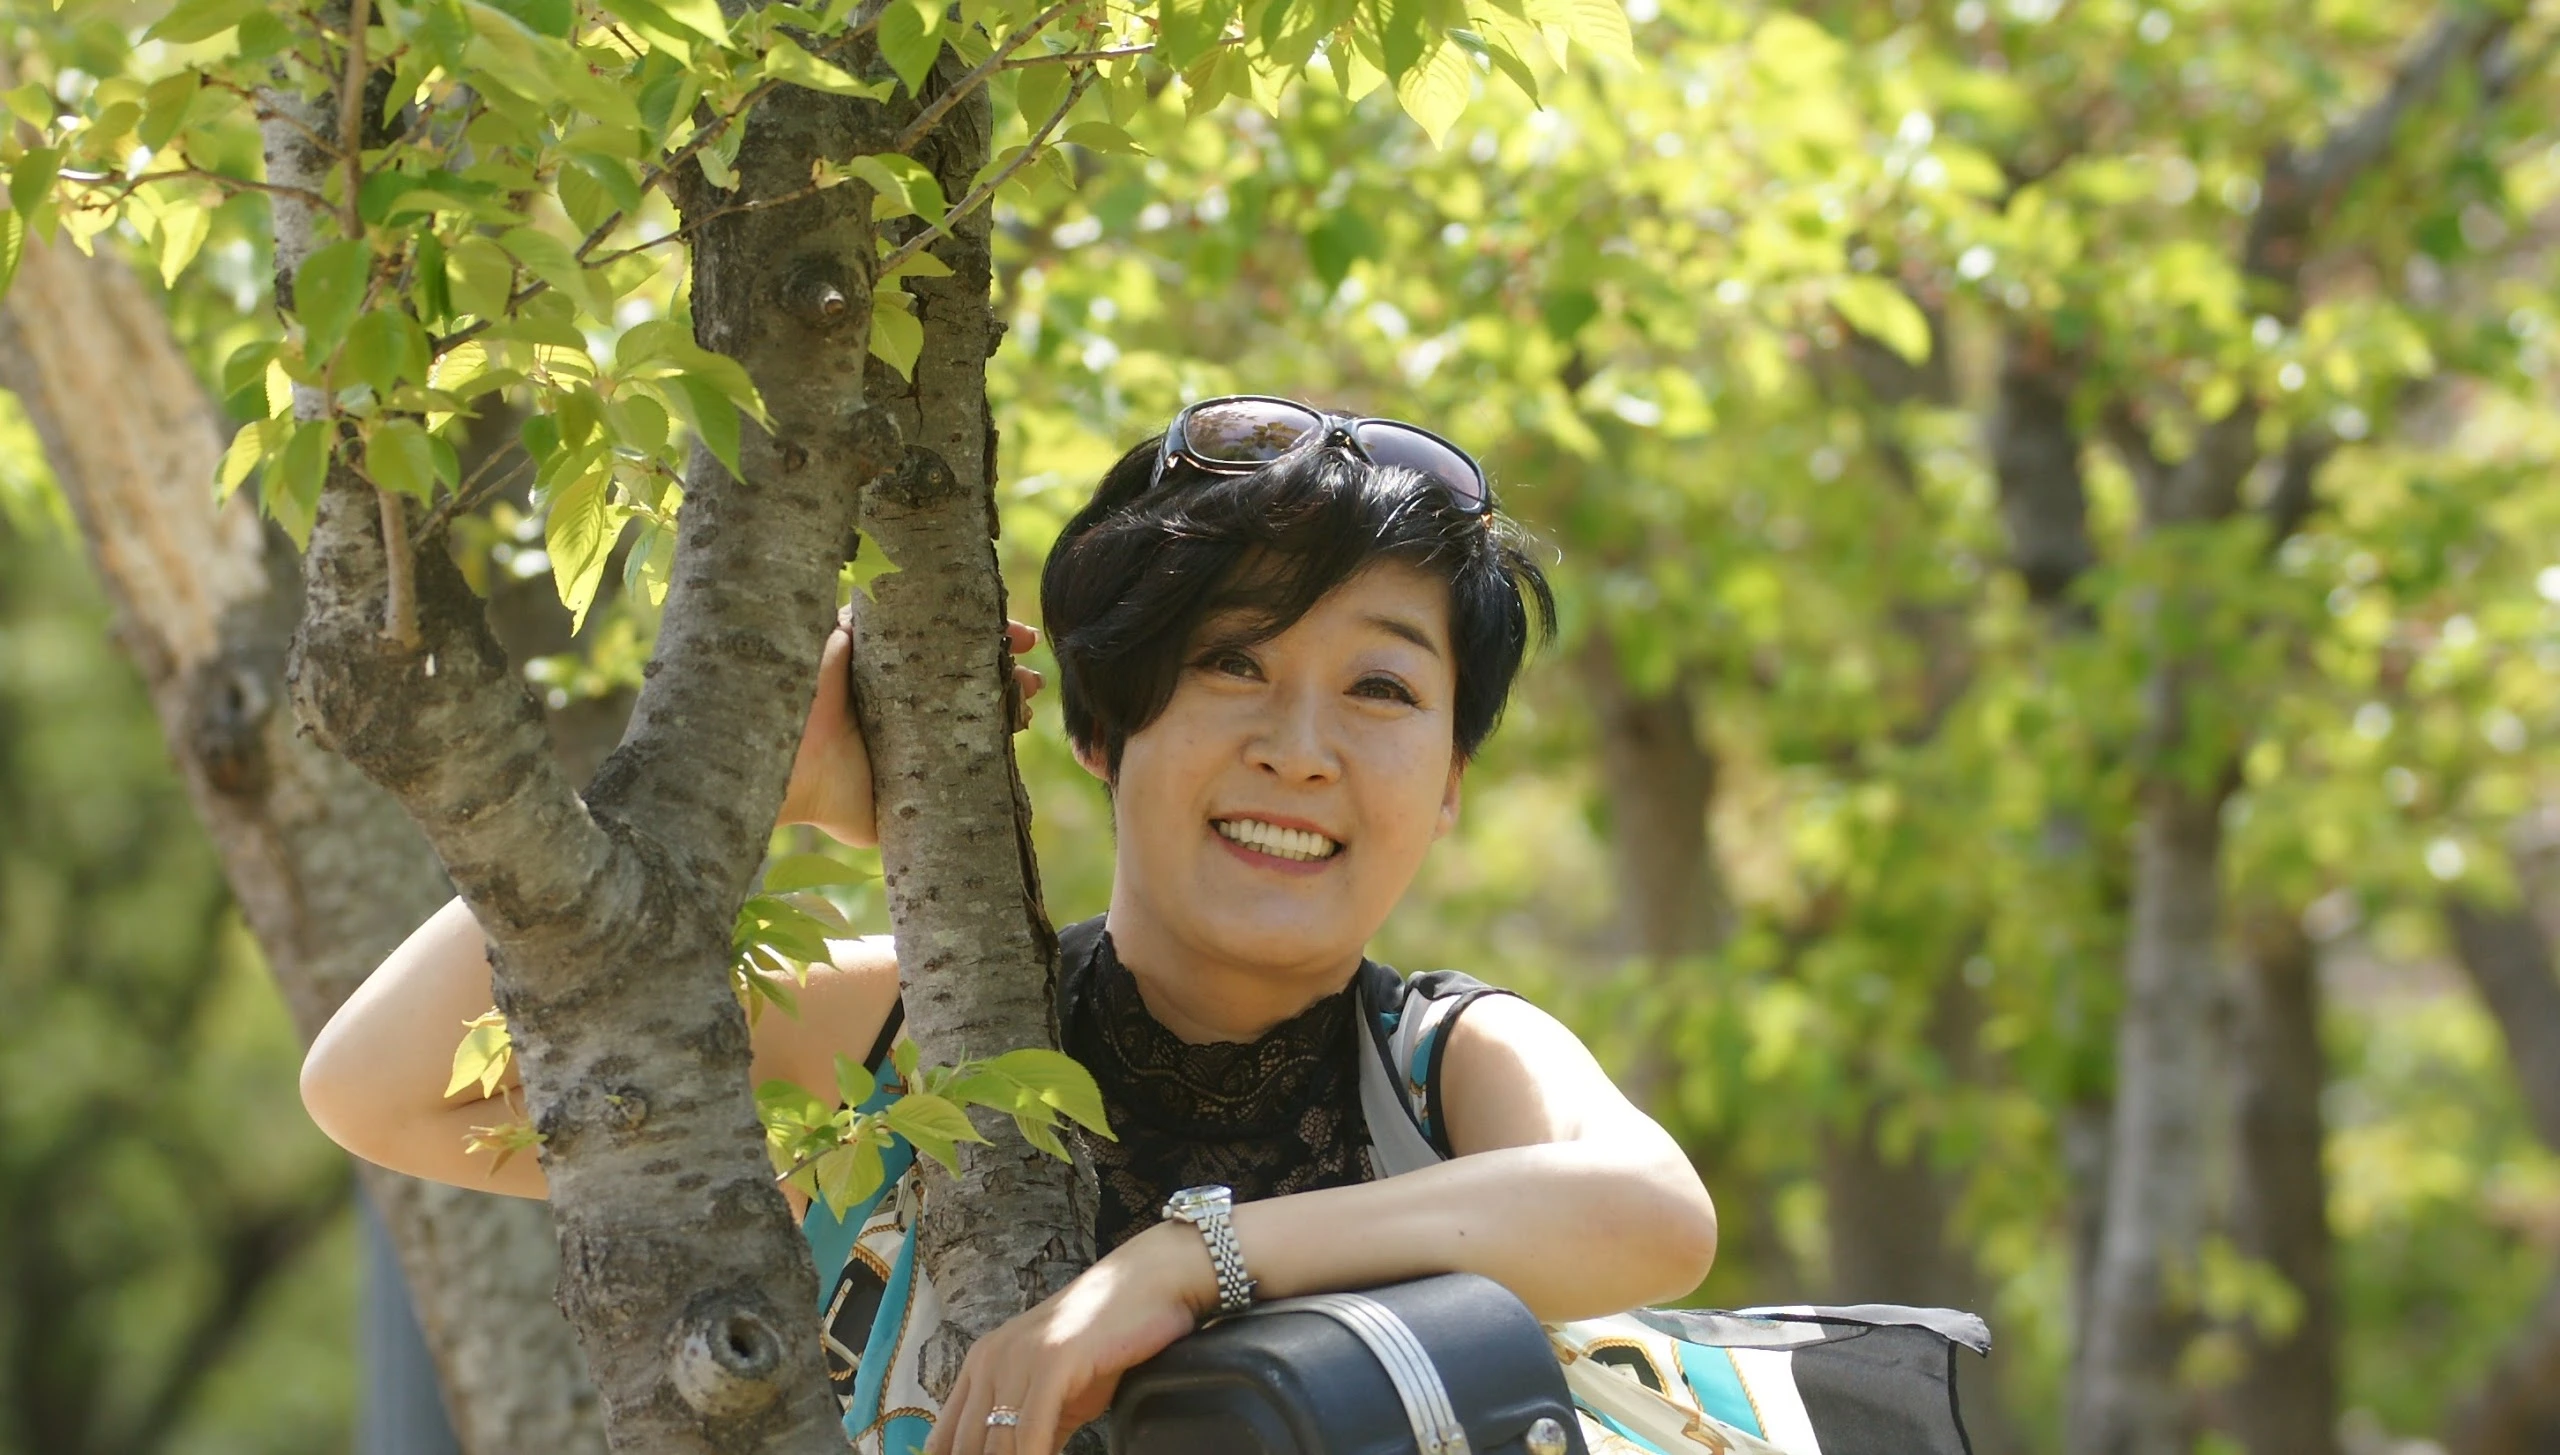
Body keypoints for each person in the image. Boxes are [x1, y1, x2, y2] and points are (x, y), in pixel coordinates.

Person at [301, 396, 1720, 1455]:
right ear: (1103, 731)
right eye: (1233, 663)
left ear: (1451, 779)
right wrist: (749, 791)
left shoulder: (1443, 1067)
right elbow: (381, 1086)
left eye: (1383, 689)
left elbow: (1652, 1213)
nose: (1300, 751)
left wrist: (1180, 1263)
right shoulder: (892, 1043)